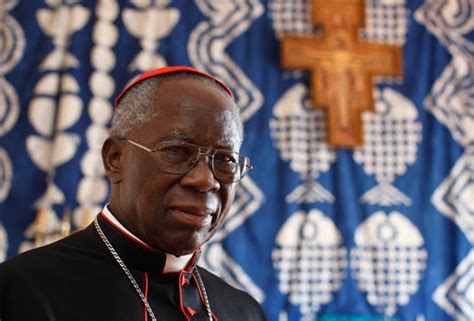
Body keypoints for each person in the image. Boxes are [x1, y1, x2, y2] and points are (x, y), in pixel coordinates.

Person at [0, 66, 268, 321]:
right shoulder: (20, 293)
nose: (205, 180)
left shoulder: (245, 312)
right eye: (177, 151)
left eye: (225, 159)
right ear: (115, 159)